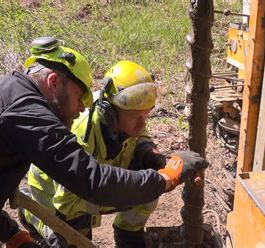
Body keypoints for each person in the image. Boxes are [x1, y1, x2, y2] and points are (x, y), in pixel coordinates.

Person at [0, 37, 207, 247]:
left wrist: (9, 234)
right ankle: (39, 223)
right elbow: (91, 181)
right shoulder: (28, 114)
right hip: (58, 202)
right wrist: (164, 179)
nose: (81, 107)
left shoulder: (7, 98)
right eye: (78, 95)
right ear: (53, 82)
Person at [21, 60, 169, 247]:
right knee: (74, 237)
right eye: (135, 118)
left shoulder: (129, 111)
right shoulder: (82, 131)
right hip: (57, 194)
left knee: (149, 181)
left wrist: (149, 152)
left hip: (91, 178)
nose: (142, 124)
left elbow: (141, 134)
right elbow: (68, 202)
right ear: (110, 113)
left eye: (146, 116)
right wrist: (129, 193)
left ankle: (127, 234)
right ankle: (32, 214)